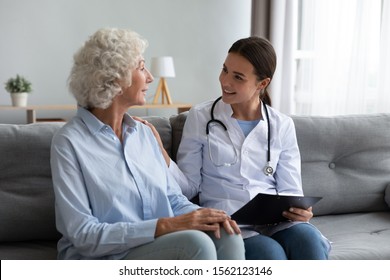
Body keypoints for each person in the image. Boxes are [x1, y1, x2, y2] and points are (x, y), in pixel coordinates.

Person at [50, 28, 245, 260]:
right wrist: (164, 226)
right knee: (195, 243)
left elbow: (172, 198)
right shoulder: (69, 143)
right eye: (142, 67)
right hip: (103, 257)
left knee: (228, 234)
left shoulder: (143, 134)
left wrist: (206, 216)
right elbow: (84, 235)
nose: (150, 77)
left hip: (154, 245)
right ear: (115, 78)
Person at [146, 37, 331, 260]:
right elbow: (189, 187)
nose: (225, 81)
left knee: (308, 241)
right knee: (270, 253)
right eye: (225, 70)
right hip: (232, 222)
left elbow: (291, 192)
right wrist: (162, 154)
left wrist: (301, 211)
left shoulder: (281, 125)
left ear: (262, 84)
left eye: (238, 77)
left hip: (277, 222)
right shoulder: (201, 117)